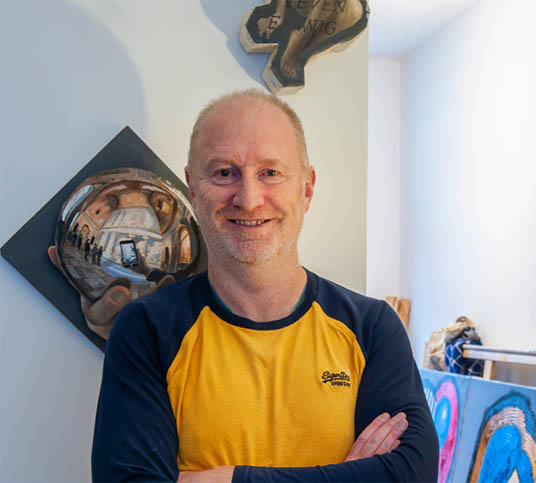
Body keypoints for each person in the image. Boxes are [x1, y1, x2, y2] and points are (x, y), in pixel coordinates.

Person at [90, 89, 438, 481]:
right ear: (193, 189)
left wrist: (226, 479)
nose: (249, 199)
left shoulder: (371, 328)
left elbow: (413, 474)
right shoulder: (147, 329)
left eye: (270, 173)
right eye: (224, 173)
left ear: (306, 188)